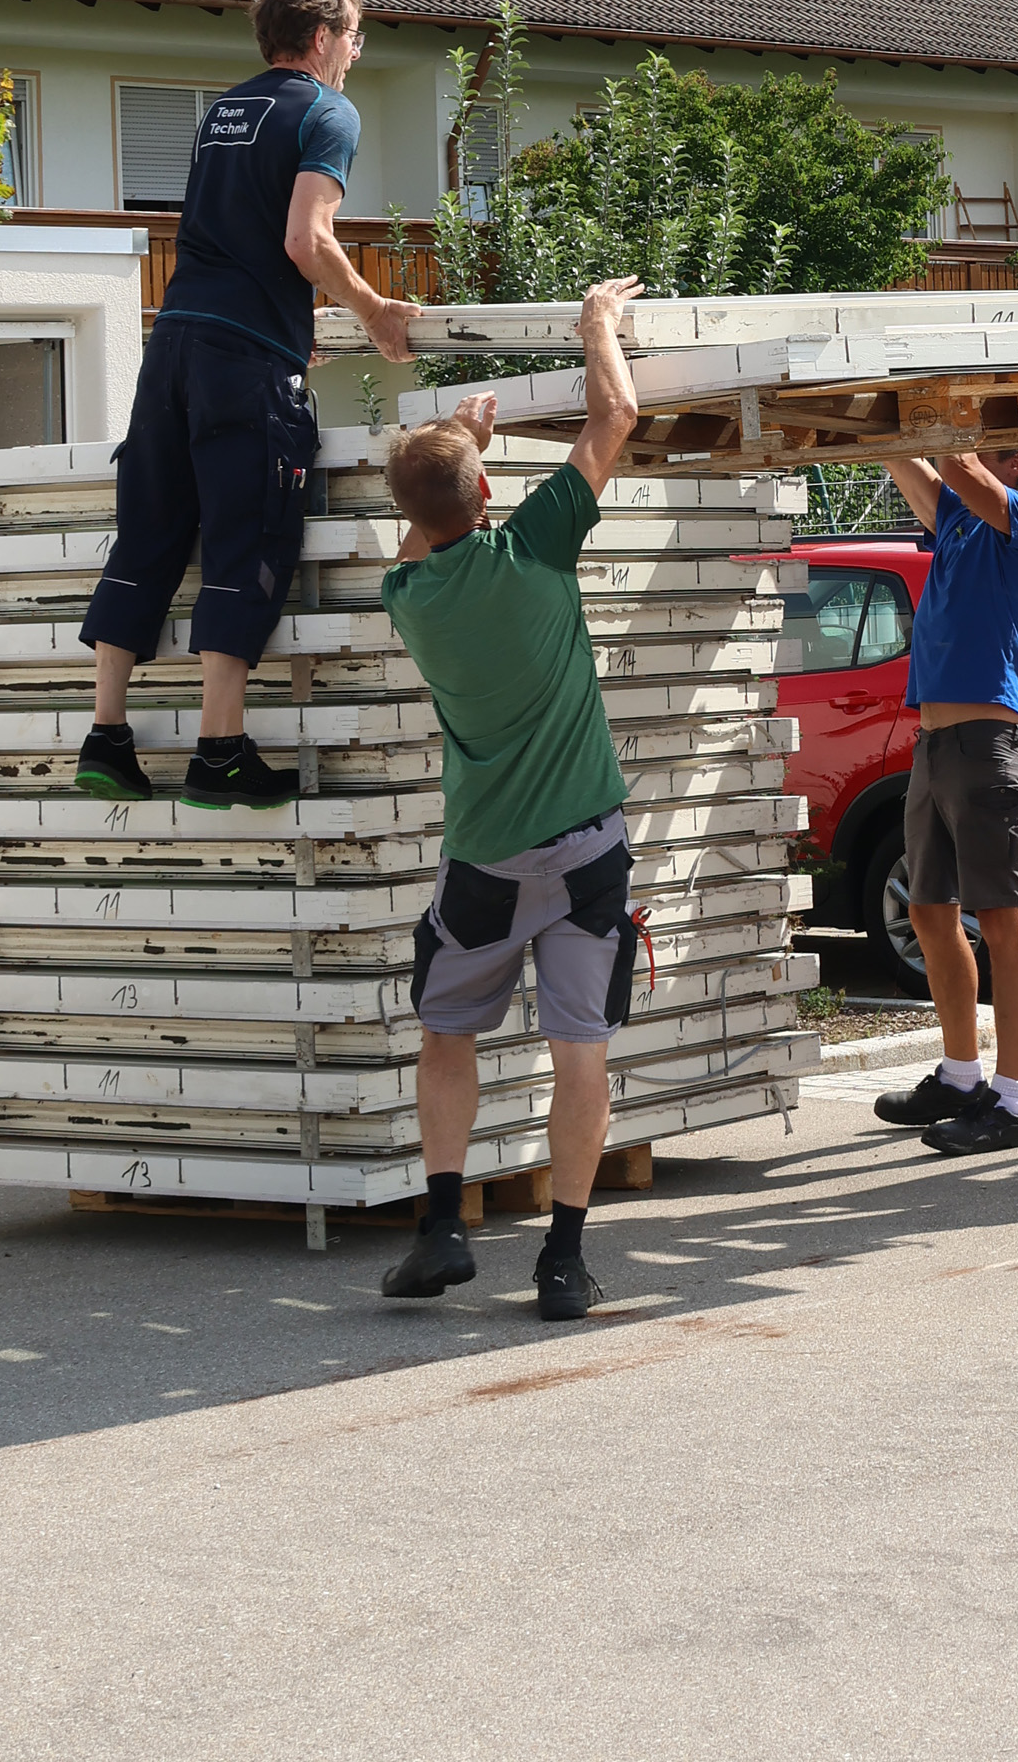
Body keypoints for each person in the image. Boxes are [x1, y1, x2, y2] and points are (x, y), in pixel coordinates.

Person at [75, 0, 415, 813]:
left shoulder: (221, 111)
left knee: (147, 532)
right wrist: (374, 311)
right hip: (243, 363)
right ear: (325, 37)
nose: (357, 53)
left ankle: (107, 736)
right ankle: (218, 750)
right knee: (247, 538)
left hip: (175, 346)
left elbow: (233, 235)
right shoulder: (328, 111)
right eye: (356, 37)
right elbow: (307, 239)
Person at [375, 274, 646, 1322]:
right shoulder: (533, 548)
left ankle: (442, 1228)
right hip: (583, 855)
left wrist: (452, 439)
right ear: (488, 495)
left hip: (482, 860)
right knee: (577, 1048)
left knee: (445, 1032)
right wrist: (595, 328)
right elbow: (614, 414)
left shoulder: (410, 598)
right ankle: (564, 1261)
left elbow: (421, 525)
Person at [870, 439, 1018, 1158]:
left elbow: (955, 464)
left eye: (997, 445)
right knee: (927, 912)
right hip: (935, 745)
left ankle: (1012, 1104)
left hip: (987, 745)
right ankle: (960, 1078)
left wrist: (944, 418)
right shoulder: (953, 520)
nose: (978, 451)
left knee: (1004, 922)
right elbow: (902, 458)